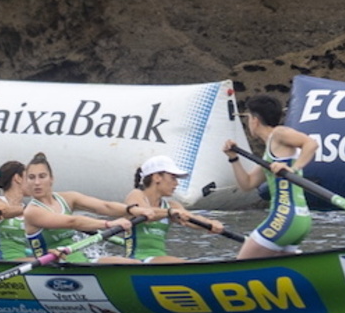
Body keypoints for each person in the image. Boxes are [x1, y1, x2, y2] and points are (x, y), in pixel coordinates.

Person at [225, 93, 318, 259]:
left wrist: (294, 169)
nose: (248, 124)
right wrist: (233, 157)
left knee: (240, 267)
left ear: (255, 120)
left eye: (247, 118)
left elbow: (311, 144)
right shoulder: (272, 154)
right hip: (299, 220)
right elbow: (247, 184)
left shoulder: (279, 133)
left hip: (283, 218)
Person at [100, 155, 223, 264]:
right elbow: (147, 214)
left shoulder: (172, 205)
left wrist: (210, 224)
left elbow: (190, 219)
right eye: (173, 178)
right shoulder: (136, 195)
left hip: (159, 260)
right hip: (138, 260)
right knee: (181, 264)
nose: (177, 183)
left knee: (178, 262)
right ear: (157, 177)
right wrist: (169, 213)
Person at [18, 152, 131, 260]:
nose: (37, 182)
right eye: (31, 178)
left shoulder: (68, 198)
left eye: (42, 176)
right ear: (26, 182)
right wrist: (109, 224)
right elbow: (73, 222)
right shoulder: (32, 211)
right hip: (51, 266)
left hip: (76, 261)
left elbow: (105, 206)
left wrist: (134, 210)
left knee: (124, 262)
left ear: (51, 179)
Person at [0, 159, 32, 260]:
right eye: (30, 177)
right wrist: (34, 209)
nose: (35, 183)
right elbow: (5, 212)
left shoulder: (25, 209)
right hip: (0, 263)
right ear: (18, 178)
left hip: (22, 263)